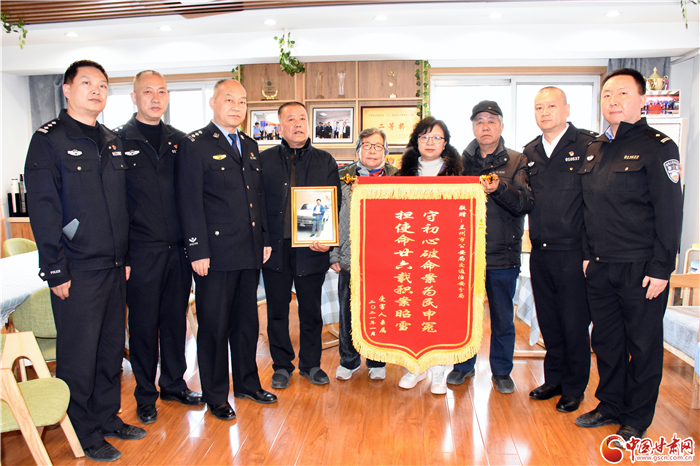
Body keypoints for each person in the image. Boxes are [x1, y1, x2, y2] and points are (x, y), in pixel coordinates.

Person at [24, 59, 145, 462]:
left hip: (113, 266)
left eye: (103, 85)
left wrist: (125, 256)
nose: (96, 90)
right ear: (67, 89)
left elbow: (123, 207)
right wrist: (55, 268)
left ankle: (107, 417)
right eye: (87, 83)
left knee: (110, 349)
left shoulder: (110, 139)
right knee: (79, 355)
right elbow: (43, 208)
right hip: (76, 269)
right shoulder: (49, 139)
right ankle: (82, 430)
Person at [574, 68, 683, 444]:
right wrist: (587, 254)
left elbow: (669, 212)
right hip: (600, 266)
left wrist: (662, 268)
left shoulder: (659, 146)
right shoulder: (595, 147)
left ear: (642, 100)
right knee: (606, 342)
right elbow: (588, 208)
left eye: (622, 93)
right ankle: (610, 405)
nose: (613, 101)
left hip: (641, 268)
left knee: (643, 344)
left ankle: (637, 417)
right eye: (607, 94)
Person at [175, 79, 277, 422]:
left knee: (246, 323)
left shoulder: (249, 144)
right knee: (215, 327)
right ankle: (216, 394)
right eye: (229, 99)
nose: (237, 107)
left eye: (242, 101)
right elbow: (189, 201)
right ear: (213, 102)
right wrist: (196, 250)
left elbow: (257, 198)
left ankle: (247, 383)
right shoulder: (195, 144)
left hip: (249, 250)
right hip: (214, 254)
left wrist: (264, 239)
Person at [113, 70, 202, 426]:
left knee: (175, 321)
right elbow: (115, 205)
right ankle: (145, 394)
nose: (155, 97)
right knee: (143, 327)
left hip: (178, 251)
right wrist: (124, 255)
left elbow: (191, 197)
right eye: (147, 91)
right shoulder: (117, 140)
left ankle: (174, 385)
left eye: (161, 91)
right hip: (141, 253)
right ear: (134, 97)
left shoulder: (180, 141)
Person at [448, 100, 534, 394]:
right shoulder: (459, 162)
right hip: (465, 254)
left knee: (502, 318)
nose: (485, 127)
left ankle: (501, 371)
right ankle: (463, 366)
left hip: (502, 254)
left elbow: (525, 204)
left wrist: (500, 188)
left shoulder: (517, 160)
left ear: (501, 126)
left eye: (491, 121)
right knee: (464, 316)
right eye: (479, 122)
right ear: (473, 127)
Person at [522, 87, 597, 413]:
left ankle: (574, 387)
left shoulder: (588, 145)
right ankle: (553, 379)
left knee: (574, 323)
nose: (545, 112)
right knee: (549, 321)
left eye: (551, 106)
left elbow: (595, 202)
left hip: (573, 253)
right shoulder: (531, 151)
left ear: (566, 109)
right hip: (540, 251)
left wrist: (588, 253)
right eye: (539, 107)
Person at [259, 101, 342, 388]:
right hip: (275, 250)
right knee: (277, 312)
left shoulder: (325, 160)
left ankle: (311, 364)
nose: (298, 124)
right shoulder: (264, 160)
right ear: (280, 127)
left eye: (302, 118)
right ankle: (282, 366)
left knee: (311, 310)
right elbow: (256, 206)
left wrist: (328, 240)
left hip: (311, 248)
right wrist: (262, 241)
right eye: (291, 119)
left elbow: (334, 203)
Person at [396, 116, 463, 395]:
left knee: (440, 311)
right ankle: (416, 367)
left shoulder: (458, 175)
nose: (430, 142)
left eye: (436, 137)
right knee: (413, 309)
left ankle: (438, 371)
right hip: (411, 254)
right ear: (416, 142)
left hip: (444, 255)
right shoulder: (402, 175)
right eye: (424, 137)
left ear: (445, 143)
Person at [331, 128, 398, 381]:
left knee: (379, 309)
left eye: (377, 146)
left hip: (386, 258)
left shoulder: (398, 177)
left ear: (385, 152)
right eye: (367, 145)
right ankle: (348, 361)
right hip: (350, 255)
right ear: (357, 150)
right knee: (348, 311)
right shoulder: (341, 177)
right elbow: (332, 216)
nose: (372, 150)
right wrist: (333, 254)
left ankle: (377, 360)